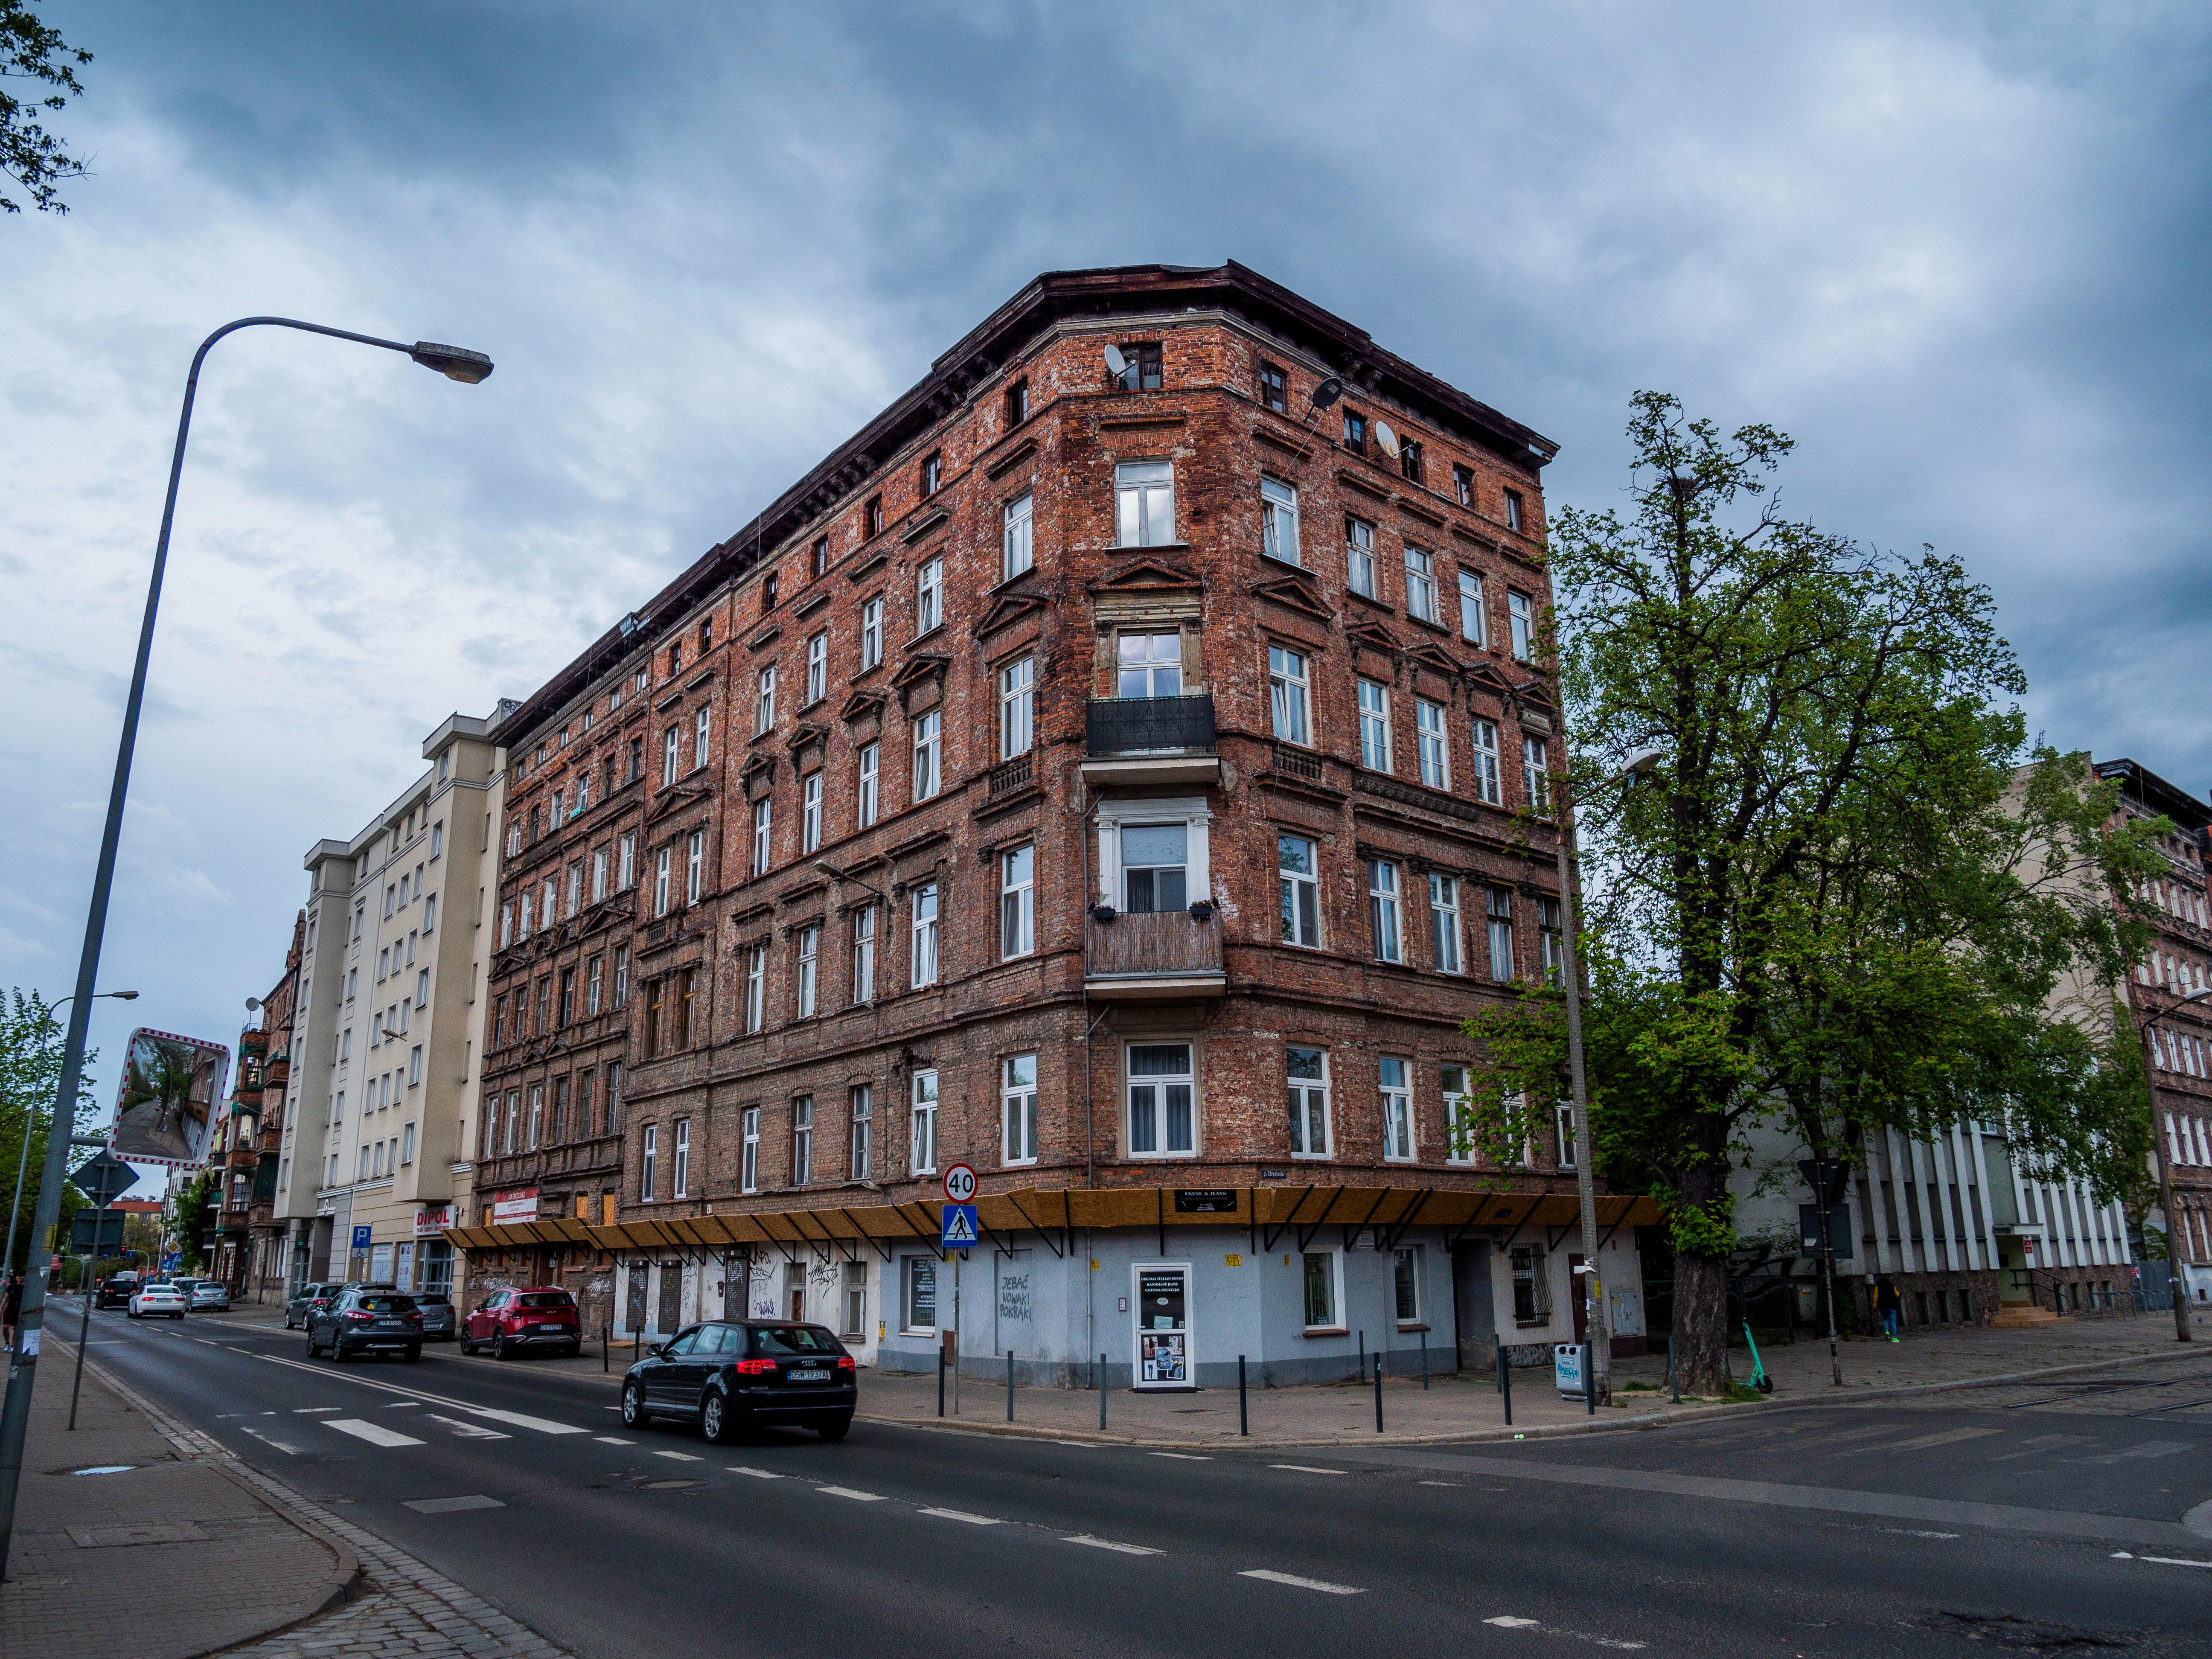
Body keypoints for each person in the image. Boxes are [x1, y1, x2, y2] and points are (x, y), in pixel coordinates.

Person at [1874, 1275, 1902, 1342]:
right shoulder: (1892, 1286)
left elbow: (1876, 1296)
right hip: (1892, 1306)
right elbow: (1897, 1295)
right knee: (1893, 1322)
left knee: (1885, 1319)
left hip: (1883, 1306)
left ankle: (1887, 1331)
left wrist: (1875, 1305)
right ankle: (1894, 1338)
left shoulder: (1878, 1287)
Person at [2, 1270, 23, 1351]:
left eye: (22, 1278)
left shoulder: (25, 1288)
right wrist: (1, 1307)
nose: (20, 1280)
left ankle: (13, 1345)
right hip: (10, 1307)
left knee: (16, 1328)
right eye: (19, 1278)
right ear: (16, 1278)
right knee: (5, 1326)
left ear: (24, 1278)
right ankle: (7, 1343)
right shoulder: (11, 1287)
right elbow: (6, 1298)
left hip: (19, 1309)